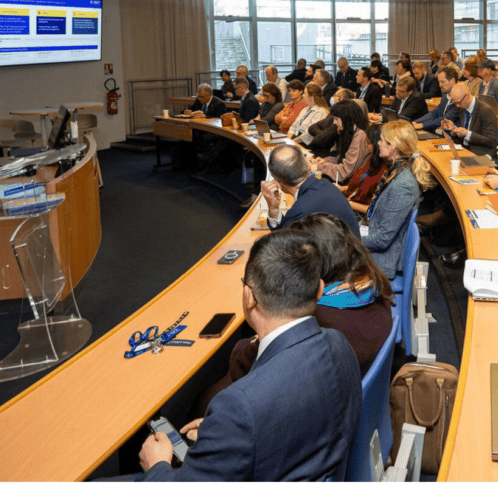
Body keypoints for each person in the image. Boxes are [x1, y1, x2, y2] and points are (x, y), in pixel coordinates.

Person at [135, 230, 360, 481]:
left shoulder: (239, 406)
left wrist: (157, 465)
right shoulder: (340, 344)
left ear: (248, 297)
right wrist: (225, 438)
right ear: (319, 289)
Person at [197, 214, 393, 415]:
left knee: (206, 399)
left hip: (298, 408)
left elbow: (244, 364)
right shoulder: (374, 287)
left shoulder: (316, 318)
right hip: (344, 396)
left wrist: (258, 335)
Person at [360, 121, 432, 280]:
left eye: (381, 140)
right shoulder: (395, 170)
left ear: (393, 146)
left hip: (381, 262)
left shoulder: (403, 186)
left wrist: (350, 238)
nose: (378, 143)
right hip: (373, 235)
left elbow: (382, 240)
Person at [262, 144, 359, 233]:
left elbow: (281, 244)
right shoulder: (326, 184)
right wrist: (274, 211)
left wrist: (273, 209)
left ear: (278, 183)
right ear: (308, 167)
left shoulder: (299, 213)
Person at [314, 101, 370, 183]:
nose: (334, 122)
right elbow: (341, 158)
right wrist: (325, 161)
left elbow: (344, 172)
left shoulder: (360, 136)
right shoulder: (349, 132)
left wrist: (320, 166)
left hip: (348, 185)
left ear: (347, 118)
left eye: (336, 119)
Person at [442, 83, 498, 159]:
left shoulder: (486, 111)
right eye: (455, 103)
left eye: (458, 102)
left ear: (467, 96)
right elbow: (464, 130)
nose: (458, 106)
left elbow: (491, 141)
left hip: (478, 153)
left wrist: (467, 134)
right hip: (463, 149)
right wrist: (454, 128)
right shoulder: (463, 106)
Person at [413, 68, 462, 132]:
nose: (440, 85)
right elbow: (434, 113)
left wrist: (423, 125)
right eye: (439, 82)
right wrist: (415, 122)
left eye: (442, 82)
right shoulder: (445, 97)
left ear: (452, 80)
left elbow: (446, 118)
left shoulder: (460, 99)